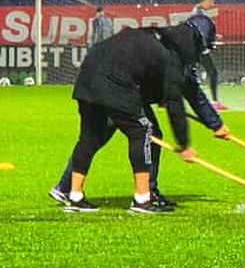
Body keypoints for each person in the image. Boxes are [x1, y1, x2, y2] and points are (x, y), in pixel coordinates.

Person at [57, 14, 229, 214]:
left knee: (90, 137)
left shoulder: (160, 37)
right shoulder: (172, 56)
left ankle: (75, 196)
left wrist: (215, 124)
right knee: (144, 132)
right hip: (114, 84)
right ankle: (142, 200)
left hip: (87, 78)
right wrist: (184, 145)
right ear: (198, 43)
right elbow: (175, 106)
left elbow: (184, 90)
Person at [193, 0, 227, 110]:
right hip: (200, 49)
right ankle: (215, 102)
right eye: (211, 1)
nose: (212, 4)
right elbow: (200, 32)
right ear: (205, 0)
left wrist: (214, 36)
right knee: (213, 72)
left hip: (196, 48)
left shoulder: (198, 11)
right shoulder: (200, 13)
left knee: (191, 74)